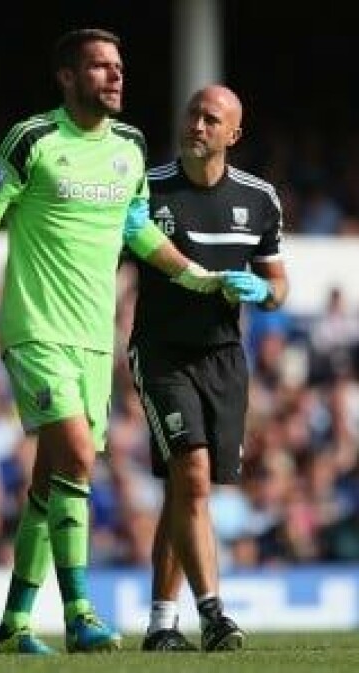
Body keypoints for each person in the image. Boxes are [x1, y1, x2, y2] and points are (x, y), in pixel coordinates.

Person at [0, 29, 224, 656]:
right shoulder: (32, 138)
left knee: (53, 480)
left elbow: (138, 229)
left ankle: (14, 624)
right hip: (36, 328)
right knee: (75, 454)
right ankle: (80, 614)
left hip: (96, 341)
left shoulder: (130, 146)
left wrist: (195, 274)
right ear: (67, 77)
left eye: (118, 67)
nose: (115, 77)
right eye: (99, 67)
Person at [127, 84, 289, 651]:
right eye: (192, 113)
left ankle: (160, 625)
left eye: (210, 119)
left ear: (232, 135)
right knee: (191, 475)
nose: (197, 124)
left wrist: (264, 294)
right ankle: (214, 613)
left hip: (224, 357)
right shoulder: (147, 187)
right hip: (162, 352)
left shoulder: (260, 198)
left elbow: (278, 285)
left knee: (187, 491)